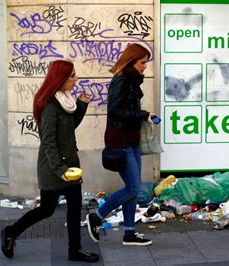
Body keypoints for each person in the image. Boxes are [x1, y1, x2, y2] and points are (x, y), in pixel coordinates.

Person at [0, 60, 99, 263]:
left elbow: (69, 128)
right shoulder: (49, 106)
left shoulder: (66, 100)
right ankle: (10, 232)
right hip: (54, 168)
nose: (76, 79)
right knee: (47, 209)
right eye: (72, 75)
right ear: (60, 79)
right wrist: (58, 168)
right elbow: (48, 142)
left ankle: (75, 250)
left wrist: (81, 106)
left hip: (70, 164)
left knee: (75, 207)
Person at [87, 43, 156, 246]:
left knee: (132, 187)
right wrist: (143, 115)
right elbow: (114, 110)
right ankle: (96, 217)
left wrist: (145, 117)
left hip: (131, 140)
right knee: (134, 186)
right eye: (142, 62)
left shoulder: (131, 81)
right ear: (131, 62)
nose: (145, 66)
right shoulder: (121, 81)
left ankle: (129, 232)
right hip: (120, 141)